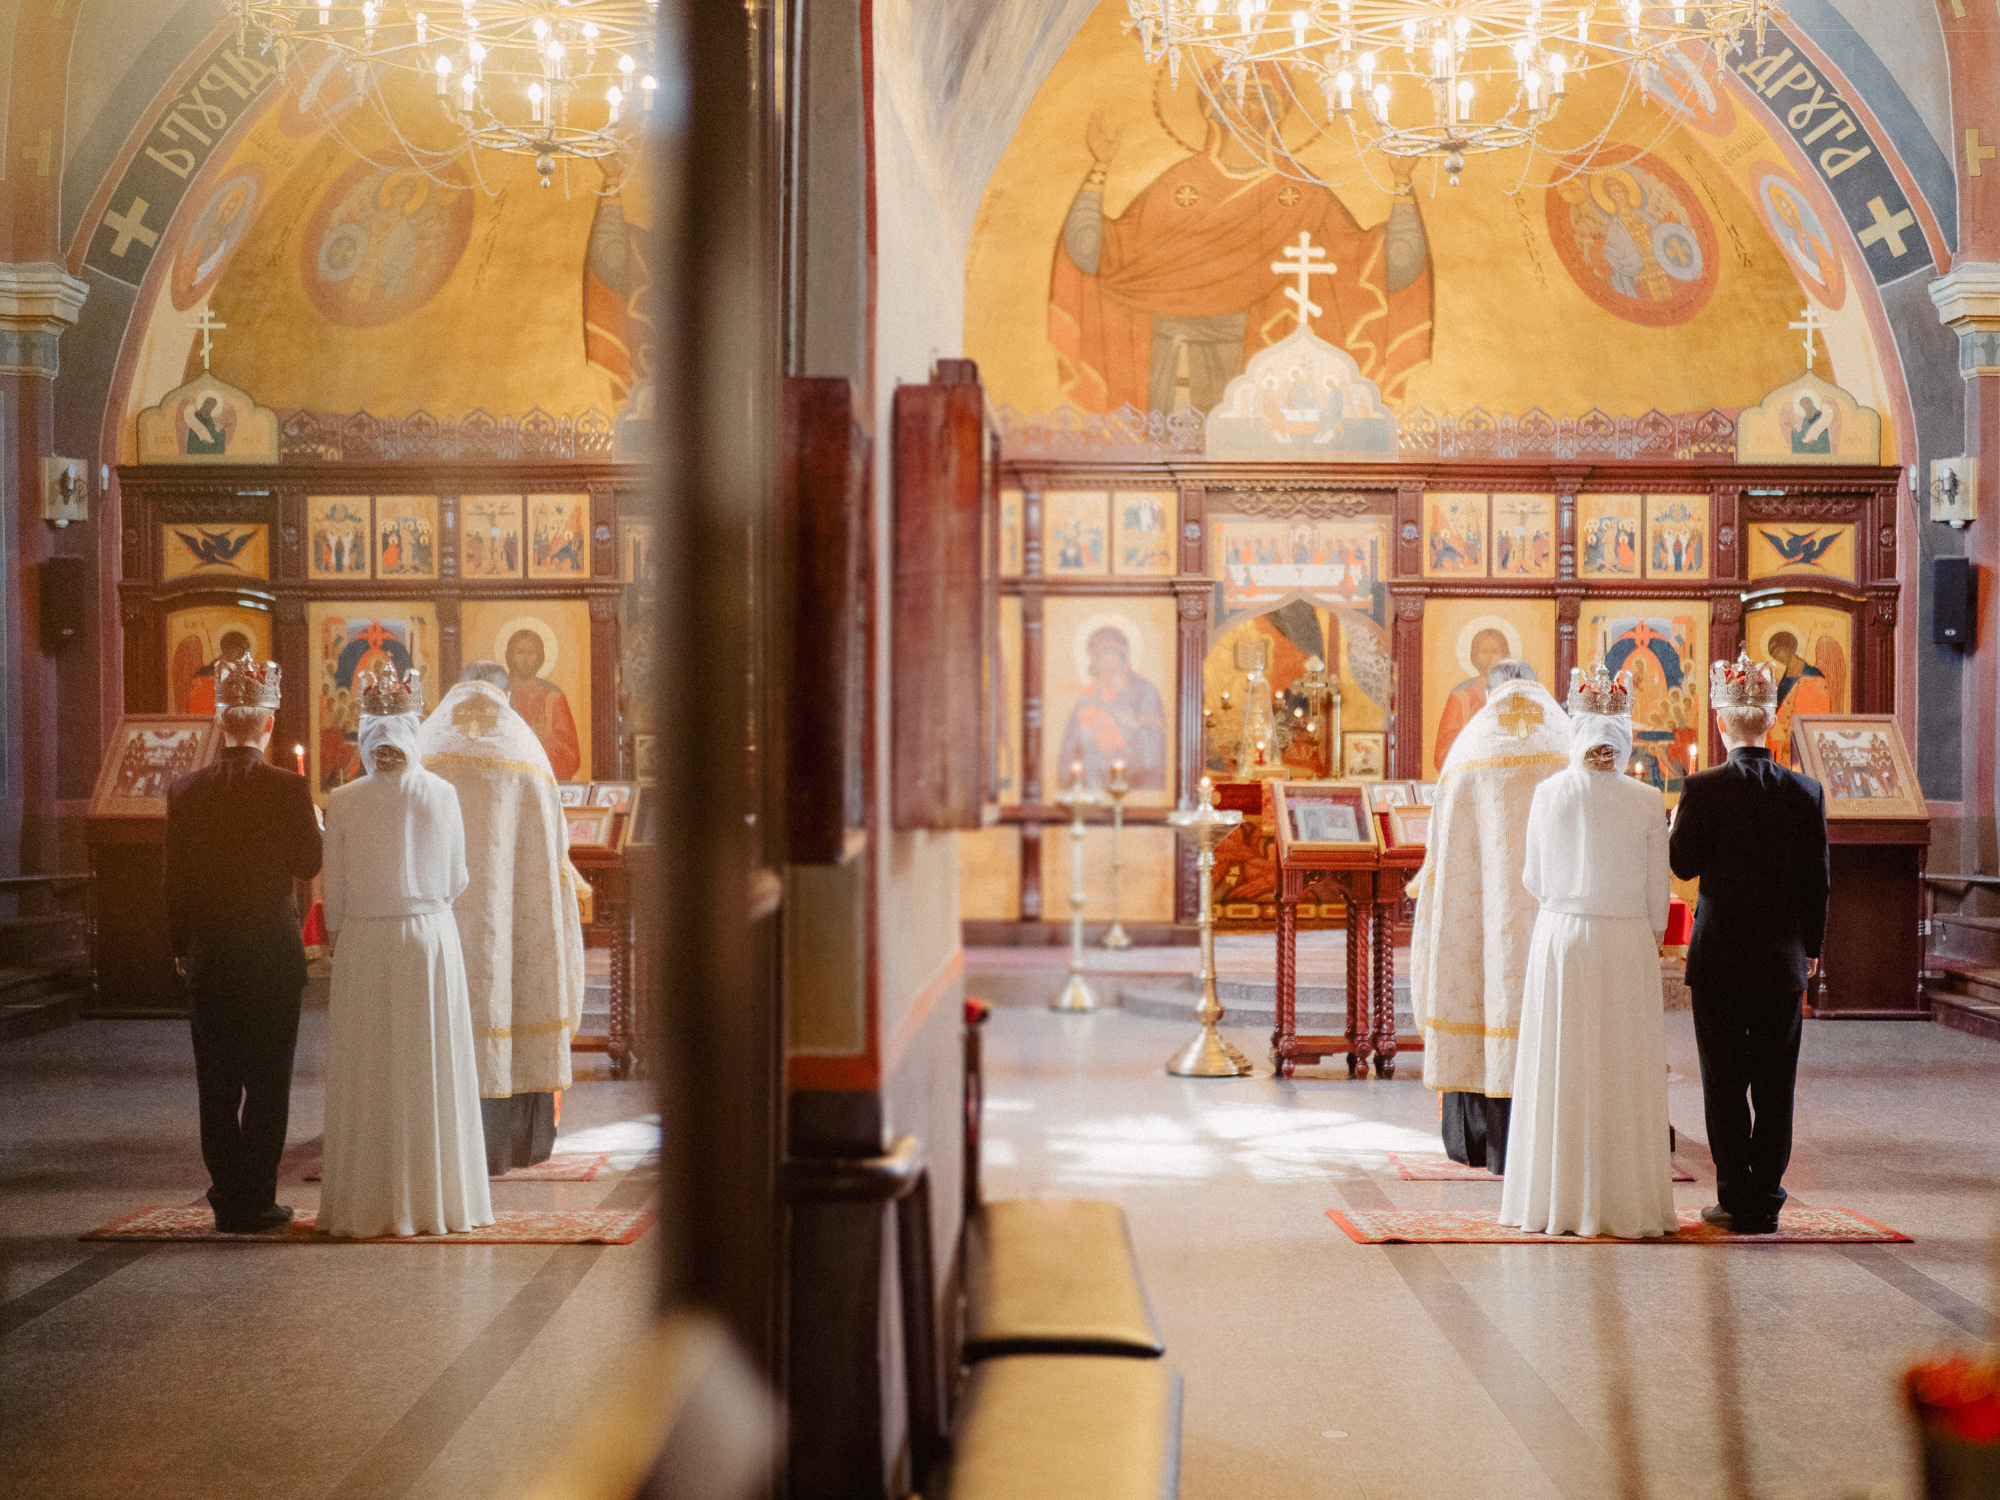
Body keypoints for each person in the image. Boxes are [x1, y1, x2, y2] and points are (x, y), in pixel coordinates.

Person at [1501, 665, 1678, 1239]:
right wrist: (1648, 936)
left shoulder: (1548, 793)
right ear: (1624, 737)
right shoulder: (1649, 799)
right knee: (1622, 1065)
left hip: (1562, 939)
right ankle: (1627, 1203)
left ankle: (1554, 1200)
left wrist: (1568, 899)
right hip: (1625, 941)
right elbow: (1659, 893)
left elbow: (1531, 876)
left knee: (1563, 1062)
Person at [319, 666, 494, 1238]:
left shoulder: (342, 801)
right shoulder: (441, 794)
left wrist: (344, 928)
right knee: (429, 1068)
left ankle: (362, 1205)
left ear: (366, 736)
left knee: (369, 1070)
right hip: (427, 939)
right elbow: (457, 877)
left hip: (365, 942)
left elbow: (334, 893)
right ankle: (436, 1201)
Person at [1669, 652, 1830, 1235]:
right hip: (1782, 960)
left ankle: (1734, 1196)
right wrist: (1811, 948)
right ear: (1772, 721)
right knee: (1775, 1082)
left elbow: (1682, 866)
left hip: (1717, 960)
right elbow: (1819, 881)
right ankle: (1767, 1198)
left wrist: (1674, 827)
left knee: (1724, 1081)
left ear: (1721, 724)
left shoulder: (1702, 788)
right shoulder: (1805, 792)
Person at [164, 655, 322, 1233]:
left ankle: (226, 1195)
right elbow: (308, 863)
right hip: (272, 957)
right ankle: (257, 1197)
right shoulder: (288, 788)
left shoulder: (185, 790)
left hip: (209, 954)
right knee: (268, 1081)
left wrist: (182, 947)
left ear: (219, 720)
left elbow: (174, 878)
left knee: (216, 1082)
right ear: (269, 726)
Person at [418, 662, 587, 1174]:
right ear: (506, 693)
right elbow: (553, 850)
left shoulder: (426, 743)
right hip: (510, 923)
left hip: (437, 919)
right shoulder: (525, 750)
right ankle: (510, 1143)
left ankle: (437, 1147)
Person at [1407, 659, 1570, 1174]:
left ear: (1491, 691)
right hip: (1557, 918)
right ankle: (1555, 1146)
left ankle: (1481, 1141)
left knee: (1485, 996)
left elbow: (1442, 854)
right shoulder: (1568, 741)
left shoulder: (1469, 748)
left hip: (1483, 920)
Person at [1057, 625, 1167, 790]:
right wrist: (1086, 737)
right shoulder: (1088, 697)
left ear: (1124, 658)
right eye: (1100, 657)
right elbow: (1068, 750)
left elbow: (1153, 744)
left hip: (1134, 783)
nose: (1106, 662)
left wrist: (1127, 727)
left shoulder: (1144, 691)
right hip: (1092, 785)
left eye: (1111, 655)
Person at [503, 627, 582, 780]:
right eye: (520, 652)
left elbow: (570, 755)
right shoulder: (500, 693)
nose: (525, 660)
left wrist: (541, 740)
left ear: (540, 658)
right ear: (510, 656)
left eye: (530, 653)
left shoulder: (553, 696)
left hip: (543, 781)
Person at [1433, 627, 1508, 770]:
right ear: (1474, 656)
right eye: (1484, 652)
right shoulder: (1460, 697)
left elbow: (1525, 736)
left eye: (1495, 651)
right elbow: (1442, 755)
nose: (1490, 657)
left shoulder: (1515, 694)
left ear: (1504, 655)